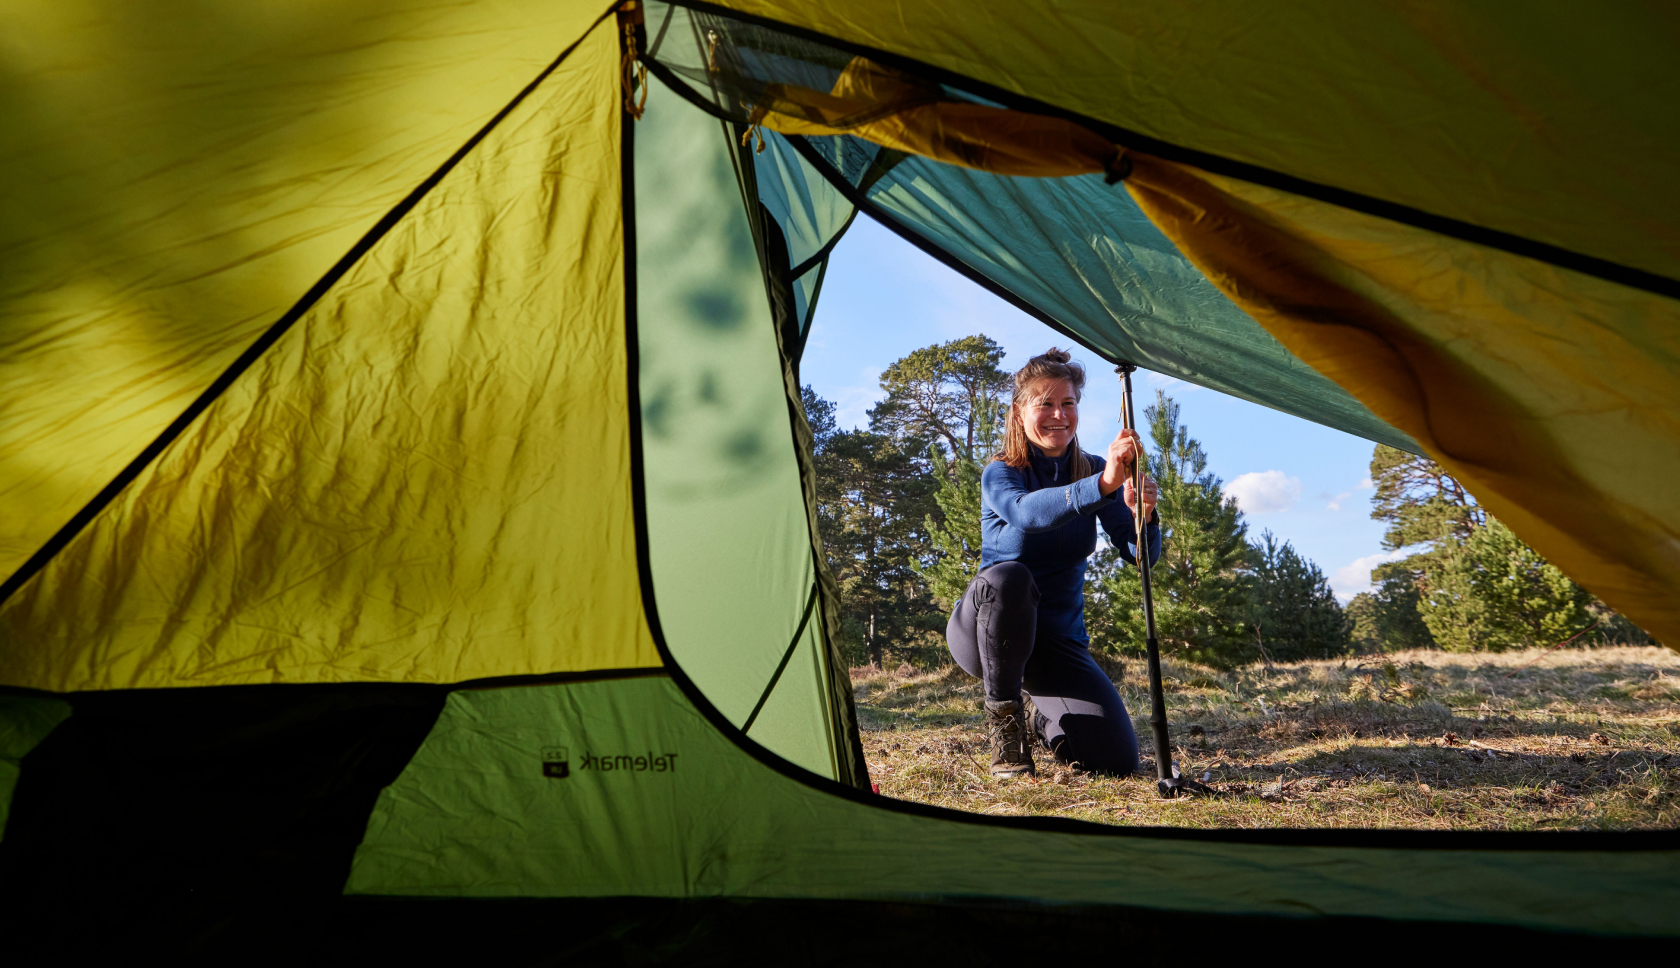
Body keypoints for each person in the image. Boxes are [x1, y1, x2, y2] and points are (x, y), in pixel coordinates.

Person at [946, 348, 1161, 778]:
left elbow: (1141, 555)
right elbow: (1027, 514)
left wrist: (1145, 516)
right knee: (1010, 576)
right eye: (1044, 403)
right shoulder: (1002, 472)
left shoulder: (1096, 470)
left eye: (1067, 403)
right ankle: (1005, 725)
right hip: (985, 635)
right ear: (1019, 411)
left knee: (1115, 763)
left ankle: (1040, 721)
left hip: (1055, 645)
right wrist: (1100, 486)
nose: (1057, 415)